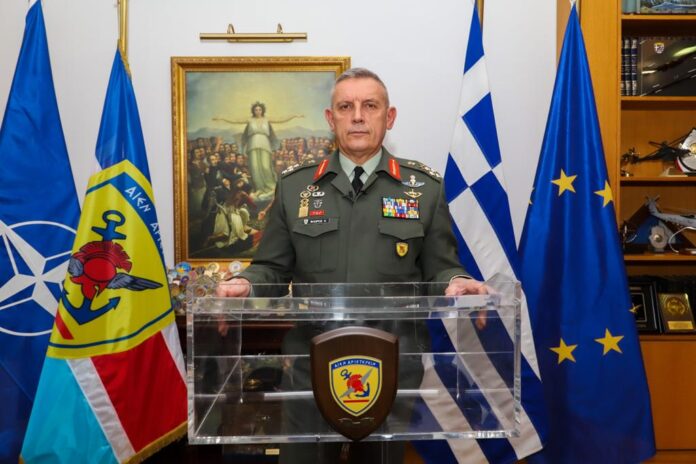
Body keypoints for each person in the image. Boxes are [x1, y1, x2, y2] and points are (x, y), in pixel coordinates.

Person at [216, 68, 485, 463]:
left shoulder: (423, 188)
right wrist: (246, 284)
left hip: (392, 364)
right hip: (311, 362)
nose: (358, 116)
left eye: (369, 106)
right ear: (331, 118)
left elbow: (440, 267)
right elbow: (271, 268)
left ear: (389, 117)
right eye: (346, 107)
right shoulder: (295, 187)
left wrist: (457, 280)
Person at [213, 102, 304, 201]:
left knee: (265, 166)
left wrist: (295, 116)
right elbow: (236, 120)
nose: (258, 111)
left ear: (262, 110)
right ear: (253, 111)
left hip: (264, 144)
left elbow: (281, 119)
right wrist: (222, 118)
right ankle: (259, 188)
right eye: (256, 109)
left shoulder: (266, 119)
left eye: (259, 109)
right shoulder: (250, 120)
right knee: (255, 168)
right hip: (252, 145)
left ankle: (271, 187)